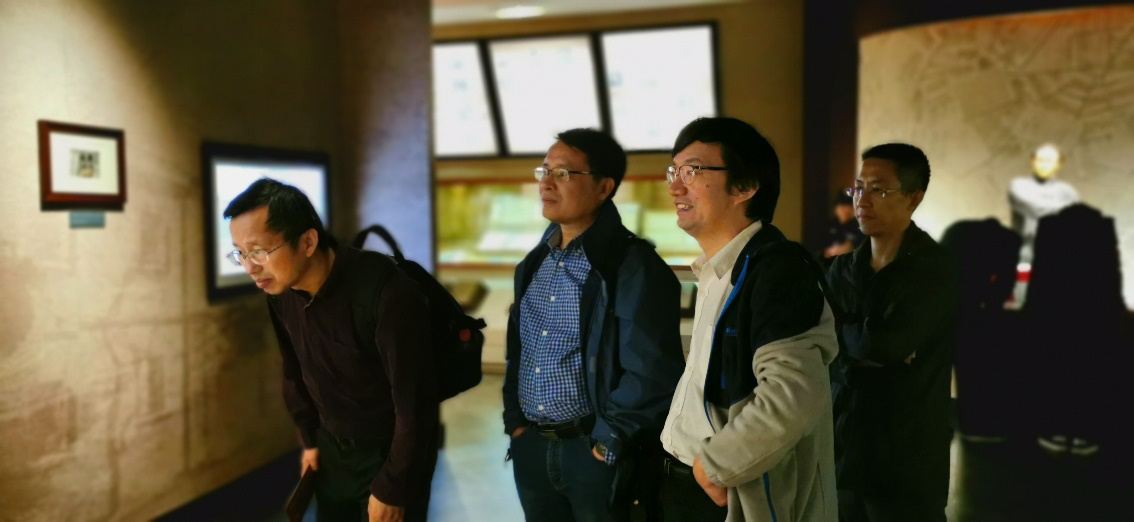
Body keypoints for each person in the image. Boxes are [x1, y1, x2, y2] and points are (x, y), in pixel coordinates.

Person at [659, 116, 839, 522]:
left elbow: (793, 393)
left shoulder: (777, 270)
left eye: (693, 171)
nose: (675, 187)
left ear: (745, 186)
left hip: (724, 491)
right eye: (674, 171)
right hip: (684, 480)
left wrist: (714, 465)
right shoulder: (716, 270)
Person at [225, 179, 438, 522]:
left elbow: (415, 404)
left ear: (308, 242)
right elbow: (293, 369)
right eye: (240, 253)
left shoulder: (387, 293)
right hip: (331, 449)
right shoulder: (281, 292)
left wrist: (394, 485)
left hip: (390, 452)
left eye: (259, 251)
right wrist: (310, 440)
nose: (250, 267)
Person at [503, 128, 684, 522]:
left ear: (604, 188)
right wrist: (515, 423)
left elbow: (652, 370)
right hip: (532, 445)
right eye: (544, 171)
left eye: (563, 173)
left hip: (594, 451)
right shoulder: (533, 264)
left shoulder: (631, 266)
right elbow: (519, 349)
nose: (546, 183)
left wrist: (609, 440)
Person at [826, 143, 956, 521]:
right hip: (842, 450)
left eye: (879, 190)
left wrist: (849, 341)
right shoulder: (843, 270)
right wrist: (860, 350)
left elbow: (883, 346)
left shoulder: (934, 269)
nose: (862, 200)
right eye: (858, 187)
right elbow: (818, 342)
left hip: (905, 460)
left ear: (914, 198)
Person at [1009, 143, 1079, 265]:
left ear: (1059, 163)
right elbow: (1036, 210)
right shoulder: (1019, 186)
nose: (1043, 165)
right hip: (1025, 256)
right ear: (1032, 161)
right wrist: (1064, 208)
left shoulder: (1068, 192)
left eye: (1048, 161)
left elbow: (1075, 221)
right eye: (1039, 160)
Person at [823, 191, 865, 259]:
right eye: (842, 205)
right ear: (835, 208)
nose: (846, 210)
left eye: (849, 206)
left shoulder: (860, 227)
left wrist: (850, 247)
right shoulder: (828, 225)